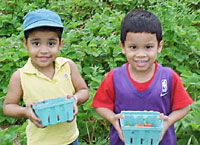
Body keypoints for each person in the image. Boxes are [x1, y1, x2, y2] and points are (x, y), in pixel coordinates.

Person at [91, 9, 193, 145]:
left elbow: (184, 107)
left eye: (148, 47)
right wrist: (112, 118)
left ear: (159, 46)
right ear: (123, 47)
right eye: (133, 47)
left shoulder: (168, 77)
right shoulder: (115, 77)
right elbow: (99, 105)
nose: (141, 54)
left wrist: (168, 121)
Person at [3, 9, 89, 145]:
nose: (44, 50)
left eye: (51, 43)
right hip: (40, 142)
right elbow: (8, 106)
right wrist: (25, 111)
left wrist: (75, 99)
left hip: (70, 139)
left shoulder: (67, 66)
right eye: (36, 43)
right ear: (25, 44)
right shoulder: (20, 76)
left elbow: (84, 91)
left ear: (60, 44)